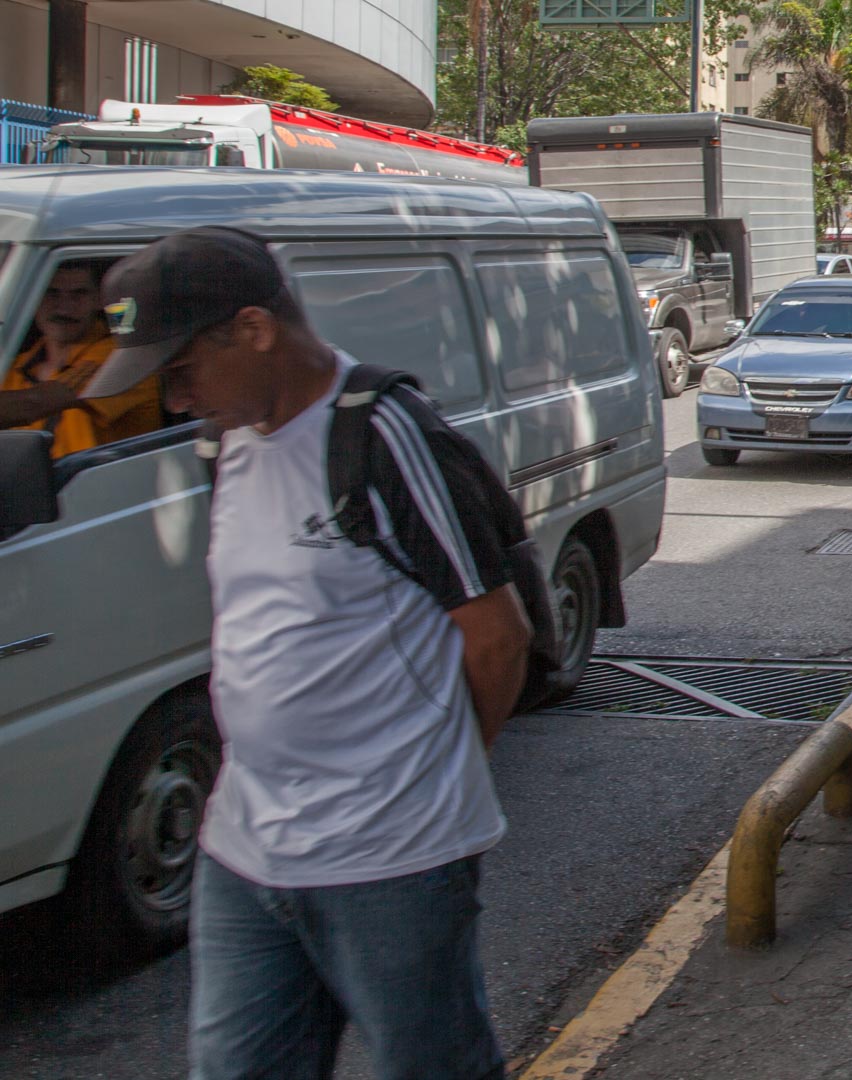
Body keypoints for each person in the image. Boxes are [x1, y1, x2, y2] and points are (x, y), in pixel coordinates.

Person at [79, 227, 530, 1076]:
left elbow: (498, 636)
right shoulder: (227, 442)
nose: (176, 400)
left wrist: (435, 777)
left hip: (391, 855)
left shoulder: (384, 433)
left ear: (254, 330)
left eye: (182, 370)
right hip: (244, 848)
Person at [1, 263, 161, 457]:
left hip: (106, 477)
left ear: (99, 300)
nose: (64, 308)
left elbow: (33, 404)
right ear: (34, 298)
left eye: (79, 294)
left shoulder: (122, 358)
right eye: (52, 293)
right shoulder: (13, 366)